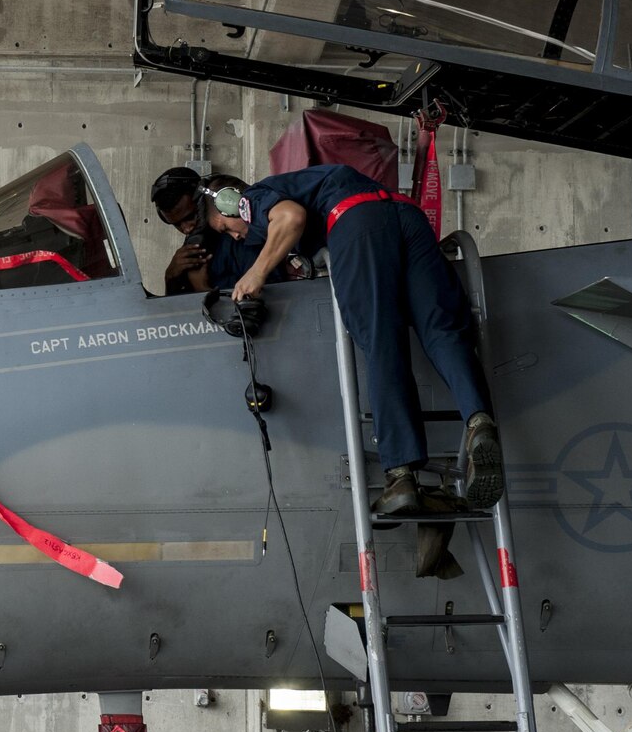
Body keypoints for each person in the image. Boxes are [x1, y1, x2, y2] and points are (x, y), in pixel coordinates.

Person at [200, 162, 504, 515]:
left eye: (226, 227)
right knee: (442, 331)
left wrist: (256, 274)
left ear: (229, 203)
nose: (234, 237)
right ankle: (480, 422)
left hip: (356, 222)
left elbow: (290, 218)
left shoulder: (251, 198)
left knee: (381, 341)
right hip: (408, 216)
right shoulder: (303, 183)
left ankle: (401, 474)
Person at [149, 168, 280, 296]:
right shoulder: (188, 254)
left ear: (203, 202)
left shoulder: (239, 235)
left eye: (190, 217)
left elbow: (270, 299)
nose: (186, 229)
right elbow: (176, 312)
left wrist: (202, 290)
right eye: (177, 224)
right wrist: (171, 277)